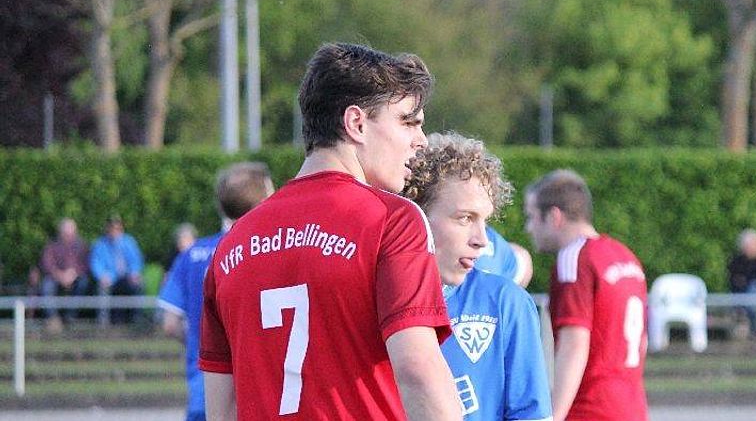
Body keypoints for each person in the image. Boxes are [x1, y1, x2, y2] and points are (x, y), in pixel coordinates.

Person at [199, 43, 460, 420]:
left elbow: (222, 410)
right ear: (356, 123)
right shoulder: (392, 220)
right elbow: (418, 370)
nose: (421, 140)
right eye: (408, 122)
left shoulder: (232, 244)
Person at [402, 132, 552, 421]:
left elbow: (532, 414)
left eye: (485, 220)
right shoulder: (370, 300)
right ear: (415, 214)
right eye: (465, 218)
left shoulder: (505, 302)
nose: (482, 240)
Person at [524, 169, 649, 421]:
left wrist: (554, 416)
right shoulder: (626, 256)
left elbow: (574, 344)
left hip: (590, 409)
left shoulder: (574, 258)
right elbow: (642, 341)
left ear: (555, 216)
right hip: (633, 408)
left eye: (531, 216)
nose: (528, 228)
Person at [158, 163, 274, 421]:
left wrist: (200, 342)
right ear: (264, 199)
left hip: (204, 391)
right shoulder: (267, 250)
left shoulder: (192, 254)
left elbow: (169, 324)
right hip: (257, 394)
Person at [89, 216, 145, 325]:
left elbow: (136, 260)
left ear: (121, 229)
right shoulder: (100, 244)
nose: (114, 231)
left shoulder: (129, 242)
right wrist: (102, 276)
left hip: (127, 277)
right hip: (110, 278)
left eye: (117, 229)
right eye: (111, 228)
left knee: (138, 283)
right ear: (107, 229)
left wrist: (134, 272)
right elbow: (96, 263)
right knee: (102, 287)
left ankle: (136, 319)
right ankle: (103, 322)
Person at [40, 218, 90, 331]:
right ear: (60, 232)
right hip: (56, 277)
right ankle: (52, 319)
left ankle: (70, 317)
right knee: (46, 285)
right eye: (66, 233)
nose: (69, 236)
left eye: (71, 233)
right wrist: (60, 275)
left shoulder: (83, 246)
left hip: (76, 277)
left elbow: (86, 265)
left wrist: (74, 274)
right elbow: (47, 264)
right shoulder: (51, 245)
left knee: (83, 283)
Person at [727, 228, 756, 341]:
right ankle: (744, 329)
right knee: (745, 300)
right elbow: (732, 278)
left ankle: (755, 331)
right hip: (738, 291)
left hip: (752, 293)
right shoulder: (736, 261)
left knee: (752, 295)